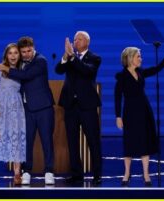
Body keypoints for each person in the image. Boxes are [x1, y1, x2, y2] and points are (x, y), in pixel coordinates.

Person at [114, 42, 164, 187]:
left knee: (144, 141)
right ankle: (127, 173)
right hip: (129, 112)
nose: (141, 58)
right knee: (129, 142)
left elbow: (158, 68)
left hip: (144, 110)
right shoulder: (122, 76)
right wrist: (118, 116)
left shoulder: (141, 72)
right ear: (130, 58)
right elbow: (117, 97)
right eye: (138, 56)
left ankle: (146, 173)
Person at [0, 36, 55, 185]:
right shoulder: (20, 62)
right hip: (26, 109)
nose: (26, 54)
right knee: (26, 142)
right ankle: (26, 171)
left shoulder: (41, 60)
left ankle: (49, 171)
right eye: (23, 52)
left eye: (29, 51)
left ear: (33, 48)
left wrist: (4, 68)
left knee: (46, 140)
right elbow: (9, 70)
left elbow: (26, 75)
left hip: (44, 108)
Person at [55, 31, 102, 186]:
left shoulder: (94, 58)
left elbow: (87, 71)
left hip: (87, 106)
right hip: (70, 106)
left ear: (87, 41)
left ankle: (97, 175)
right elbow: (59, 70)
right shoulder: (70, 57)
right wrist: (65, 57)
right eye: (74, 39)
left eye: (79, 39)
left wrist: (73, 57)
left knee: (93, 141)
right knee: (72, 142)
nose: (76, 42)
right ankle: (77, 175)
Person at [0, 43, 26, 185]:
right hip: (0, 108)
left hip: (16, 109)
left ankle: (17, 173)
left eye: (16, 53)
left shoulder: (21, 70)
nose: (13, 56)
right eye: (10, 53)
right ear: (6, 55)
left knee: (16, 138)